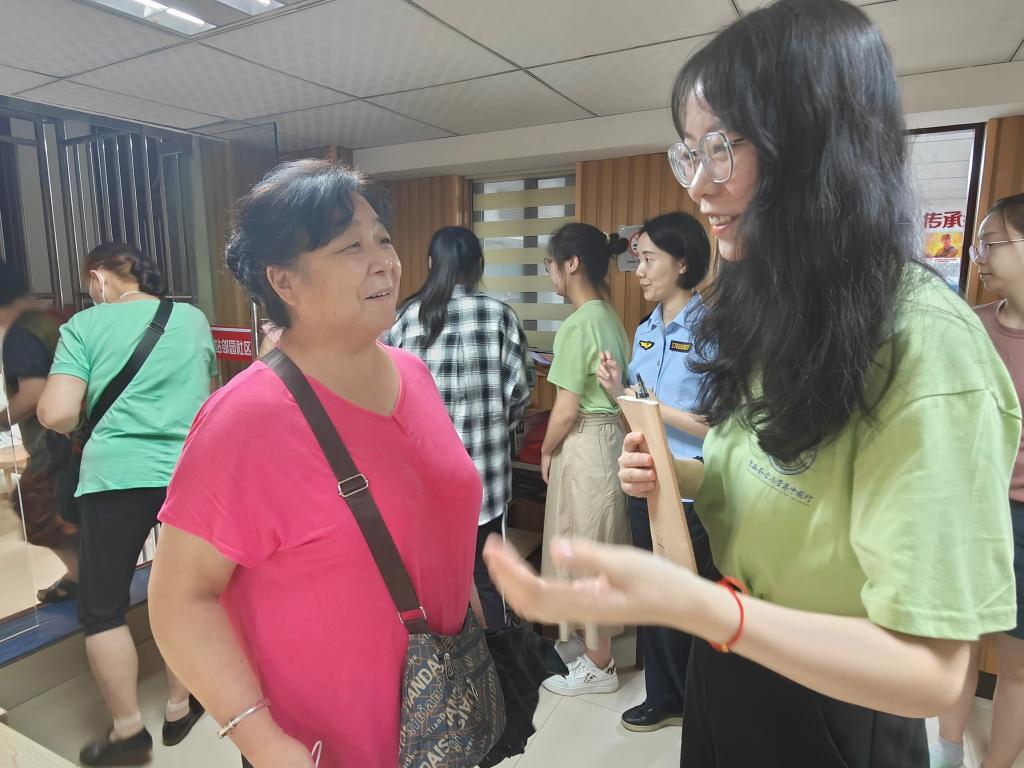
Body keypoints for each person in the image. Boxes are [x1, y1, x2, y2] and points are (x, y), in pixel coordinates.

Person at [483, 2, 1020, 766]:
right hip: (734, 661)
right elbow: (776, 481)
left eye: (723, 149)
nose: (700, 187)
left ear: (817, 145)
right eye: (690, 154)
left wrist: (706, 608)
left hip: (832, 700)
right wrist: (676, 475)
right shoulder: (778, 306)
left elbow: (930, 674)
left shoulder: (926, 348)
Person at [147, 160, 482, 768]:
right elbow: (179, 599)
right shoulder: (246, 419)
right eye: (351, 246)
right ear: (285, 281)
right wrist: (261, 742)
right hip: (325, 746)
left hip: (443, 719)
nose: (384, 261)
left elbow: (437, 519)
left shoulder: (413, 373)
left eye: (383, 238)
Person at [37, 243, 216, 766]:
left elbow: (57, 412)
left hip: (115, 477)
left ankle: (128, 732)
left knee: (103, 607)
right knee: (182, 594)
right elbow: (208, 398)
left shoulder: (85, 325)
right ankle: (180, 706)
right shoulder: (191, 319)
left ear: (99, 277)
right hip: (188, 474)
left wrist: (81, 418)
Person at [595, 211, 717, 733]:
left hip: (693, 491)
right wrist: (618, 390)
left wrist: (649, 406)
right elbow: (638, 410)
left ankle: (701, 701)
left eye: (648, 259)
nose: (639, 271)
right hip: (645, 483)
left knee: (694, 601)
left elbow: (717, 427)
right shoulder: (644, 330)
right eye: (637, 259)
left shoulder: (712, 330)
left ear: (682, 262)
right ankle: (665, 696)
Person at [385, 225, 532, 630]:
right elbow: (520, 390)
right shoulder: (500, 316)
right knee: (488, 577)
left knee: (428, 580)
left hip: (421, 481)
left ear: (431, 264)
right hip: (485, 478)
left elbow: (385, 400)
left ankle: (441, 659)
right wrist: (497, 425)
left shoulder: (404, 320)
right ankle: (499, 660)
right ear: (478, 265)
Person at [931, 193, 1024, 768]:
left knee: (1016, 662)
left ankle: (997, 762)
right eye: (977, 246)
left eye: (991, 244)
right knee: (957, 641)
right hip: (968, 508)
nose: (979, 257)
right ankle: (944, 753)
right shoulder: (972, 325)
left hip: (1021, 518)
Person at [539, 222, 630, 696]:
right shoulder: (609, 317)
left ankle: (600, 666)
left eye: (551, 264)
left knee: (586, 544)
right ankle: (593, 644)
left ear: (570, 264)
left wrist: (545, 449)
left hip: (586, 443)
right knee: (600, 540)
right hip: (609, 440)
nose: (550, 273)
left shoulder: (577, 324)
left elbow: (566, 408)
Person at [0, 260, 79, 604]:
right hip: (79, 437)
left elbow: (33, 394)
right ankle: (83, 575)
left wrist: (2, 419)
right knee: (68, 513)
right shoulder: (53, 317)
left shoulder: (21, 333)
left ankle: (82, 577)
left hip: (54, 441)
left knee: (35, 509)